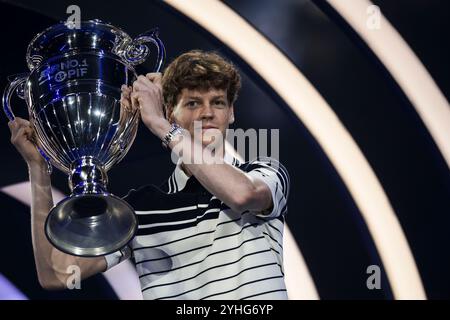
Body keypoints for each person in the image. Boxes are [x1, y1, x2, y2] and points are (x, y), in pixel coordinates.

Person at [8, 50, 290, 300]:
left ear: (231, 113)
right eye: (192, 103)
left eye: (217, 103)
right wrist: (38, 169)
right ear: (171, 112)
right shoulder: (140, 210)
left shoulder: (263, 172)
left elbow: (243, 195)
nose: (207, 113)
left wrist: (161, 127)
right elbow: (56, 274)